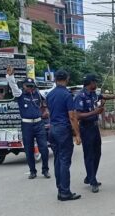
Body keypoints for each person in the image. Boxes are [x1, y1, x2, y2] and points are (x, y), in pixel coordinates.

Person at [74, 73, 115, 193]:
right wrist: (95, 112)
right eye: (95, 82)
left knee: (97, 153)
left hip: (94, 127)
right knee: (89, 155)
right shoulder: (80, 96)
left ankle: (90, 176)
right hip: (85, 128)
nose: (96, 84)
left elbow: (102, 97)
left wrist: (108, 99)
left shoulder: (93, 94)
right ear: (90, 83)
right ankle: (92, 181)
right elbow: (78, 115)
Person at [6, 66, 50, 179]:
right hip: (27, 125)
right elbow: (13, 86)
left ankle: (45, 170)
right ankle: (32, 171)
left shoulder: (38, 94)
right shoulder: (19, 94)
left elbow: (46, 102)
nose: (30, 88)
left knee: (44, 148)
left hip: (39, 123)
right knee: (29, 149)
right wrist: (10, 76)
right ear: (24, 86)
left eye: (32, 86)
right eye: (28, 86)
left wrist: (45, 111)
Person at [46, 69, 82, 201]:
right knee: (65, 161)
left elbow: (50, 112)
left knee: (57, 160)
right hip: (63, 130)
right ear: (67, 79)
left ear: (55, 79)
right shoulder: (67, 95)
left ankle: (60, 189)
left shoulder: (50, 95)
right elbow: (72, 116)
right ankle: (65, 192)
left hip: (52, 129)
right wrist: (77, 134)